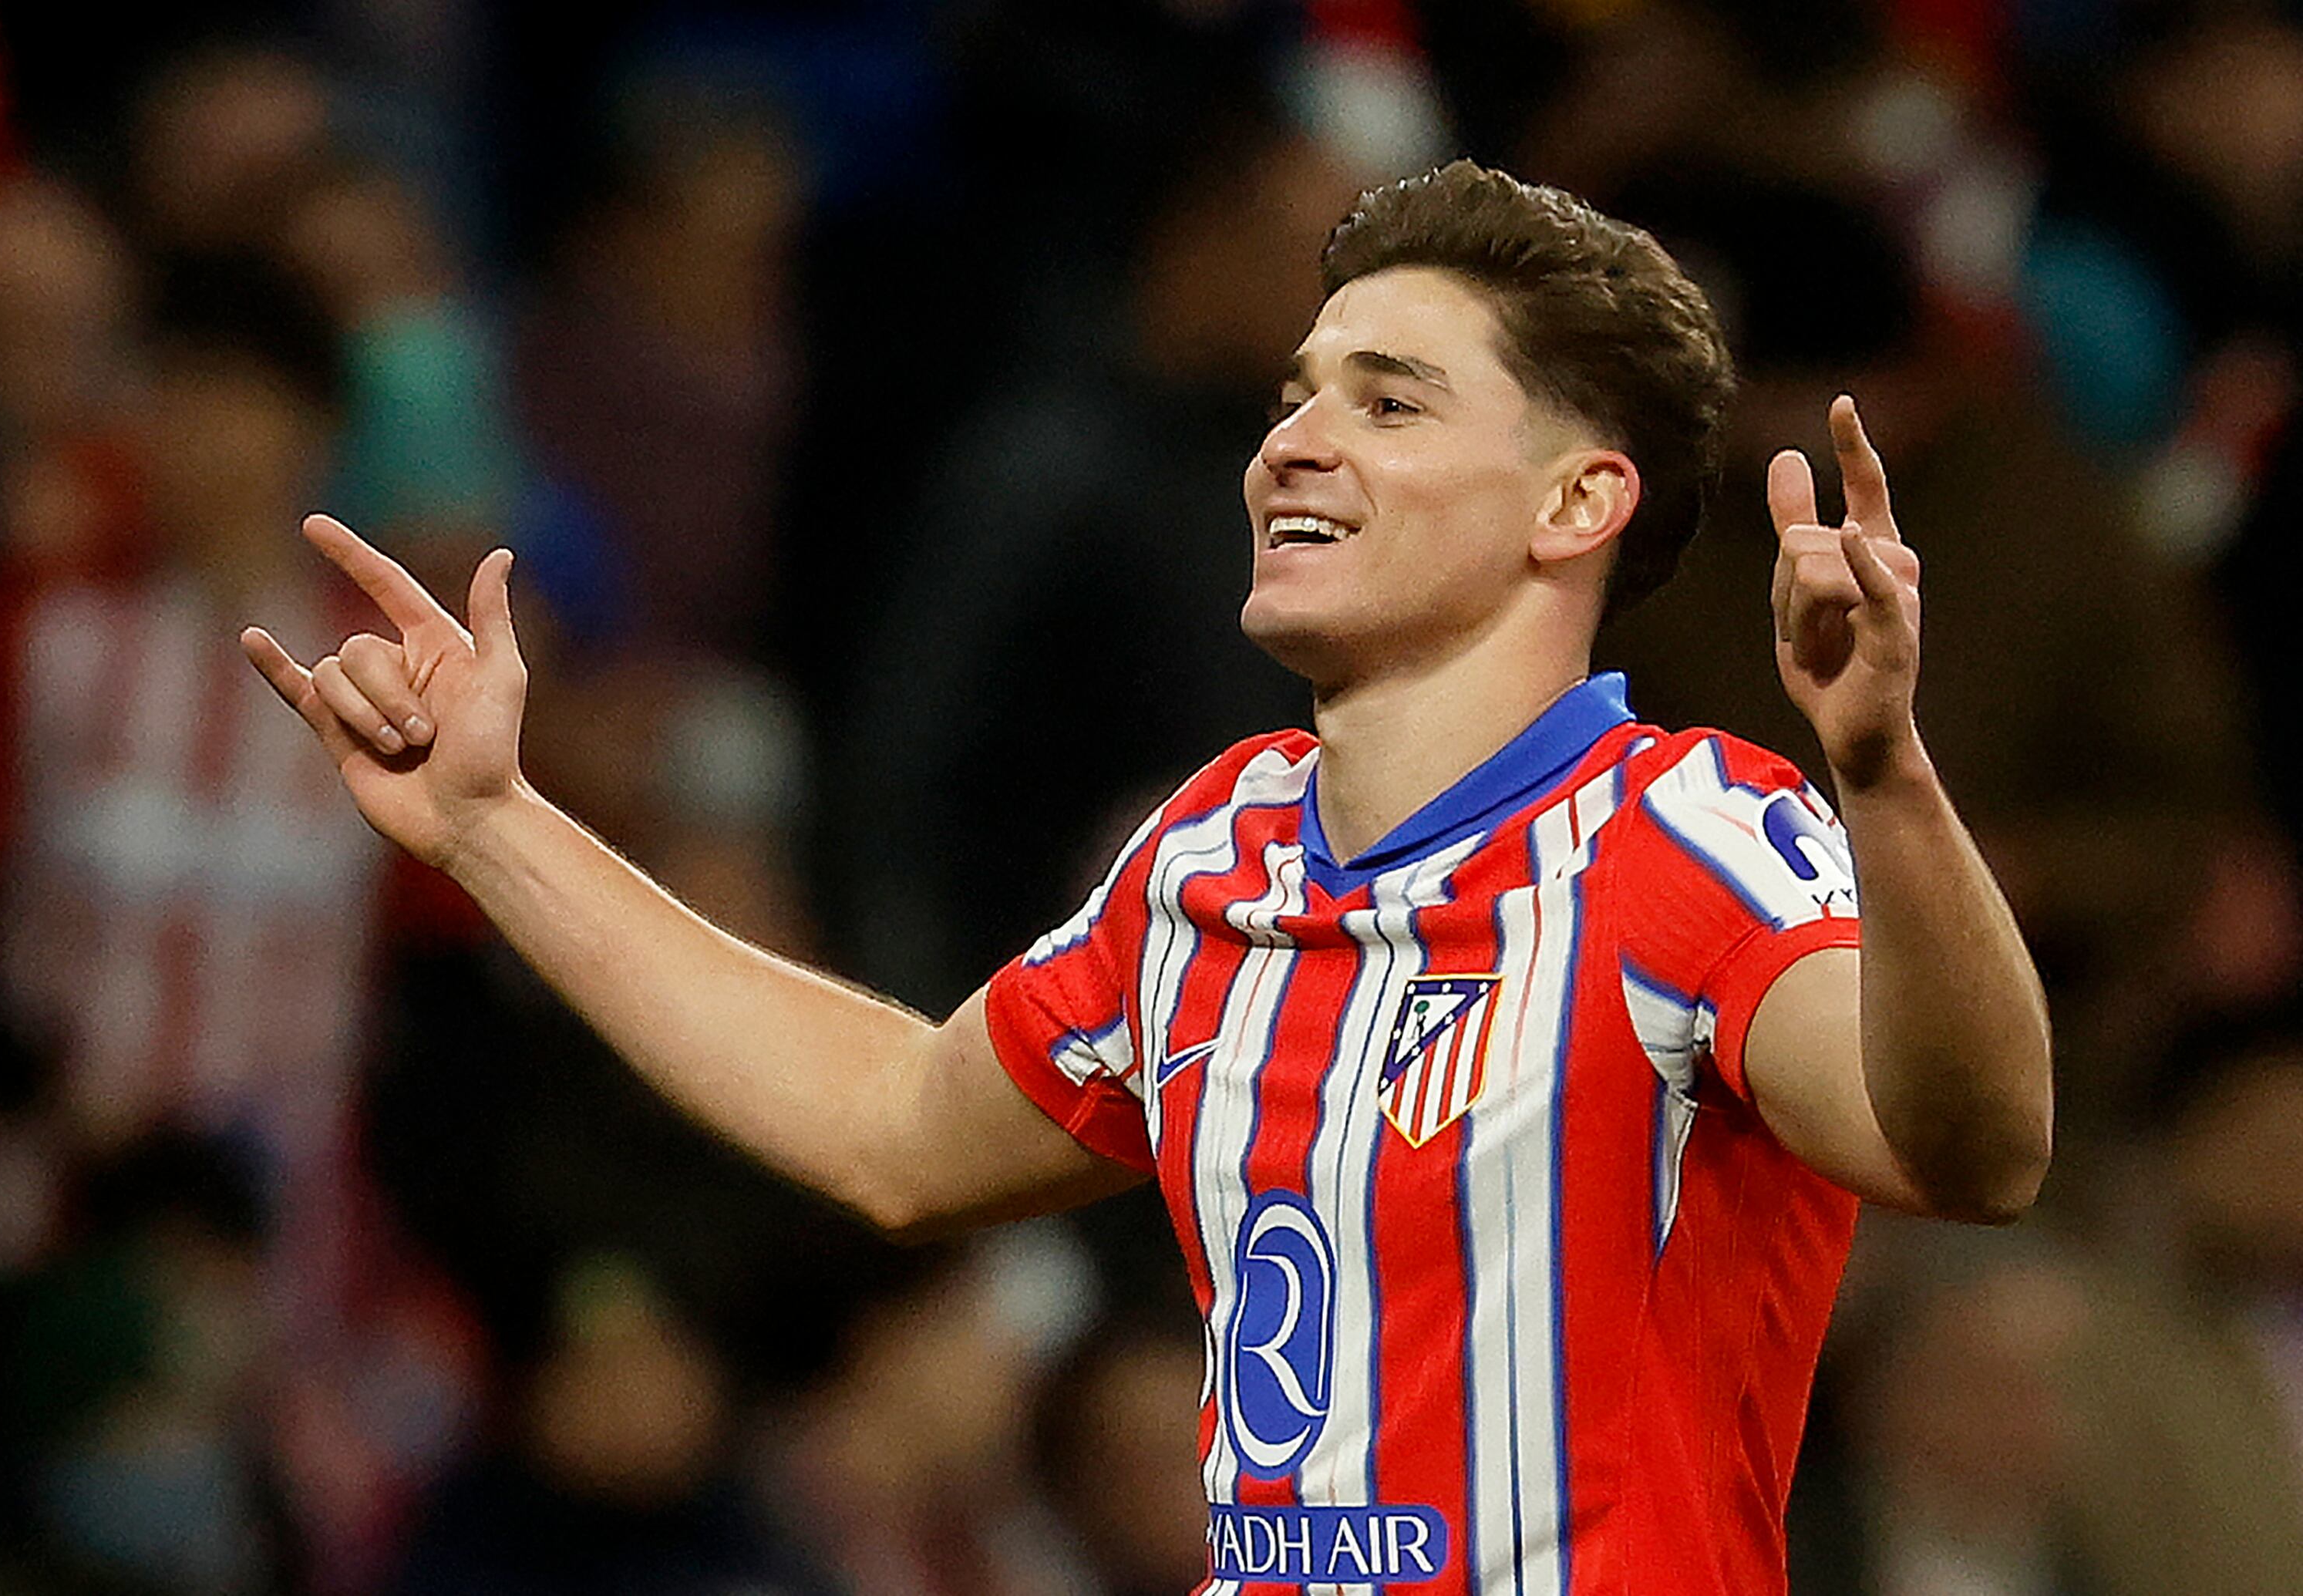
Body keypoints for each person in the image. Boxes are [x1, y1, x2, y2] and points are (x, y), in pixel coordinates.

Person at [241, 161, 2052, 1594]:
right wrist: (496, 825)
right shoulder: (1211, 860)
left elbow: (1968, 1146)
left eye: (1392, 401)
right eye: (1295, 393)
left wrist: (1882, 775)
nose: (1293, 441)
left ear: (1575, 504)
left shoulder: (1689, 838)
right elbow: (889, 1125)